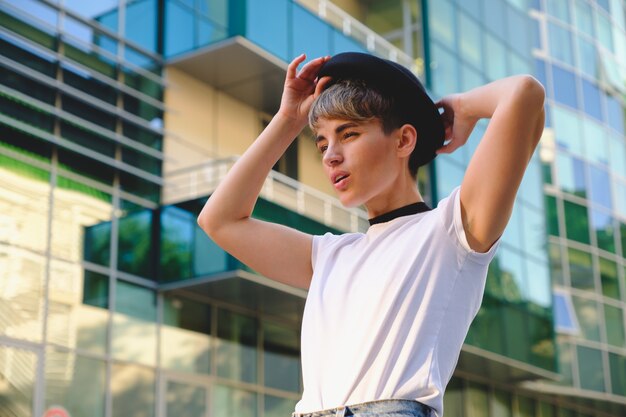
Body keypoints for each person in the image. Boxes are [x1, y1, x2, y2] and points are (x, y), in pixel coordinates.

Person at [197, 52, 545, 417]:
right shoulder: (328, 255)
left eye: (348, 134)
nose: (331, 155)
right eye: (322, 143)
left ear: (403, 140)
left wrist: (464, 108)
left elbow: (523, 93)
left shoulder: (450, 232)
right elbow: (219, 220)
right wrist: (287, 120)